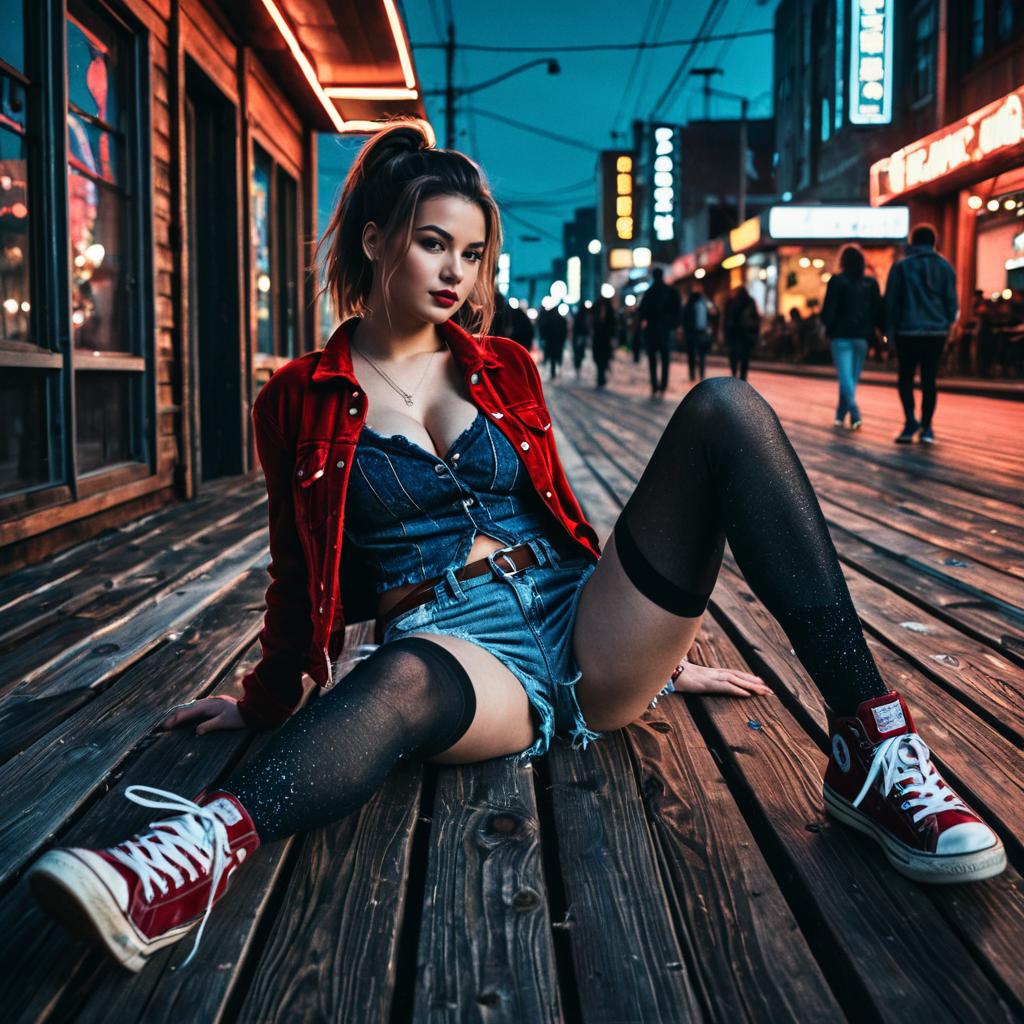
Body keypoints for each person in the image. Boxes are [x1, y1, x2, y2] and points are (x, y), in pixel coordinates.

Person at [26, 120, 1005, 976]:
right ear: (375, 242)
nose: (456, 272)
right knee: (395, 678)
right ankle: (193, 852)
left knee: (726, 407)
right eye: (431, 244)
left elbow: (562, 515)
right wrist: (264, 695)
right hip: (452, 645)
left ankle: (870, 748)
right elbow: (296, 569)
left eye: (473, 253)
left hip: (580, 618)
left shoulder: (505, 366)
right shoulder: (296, 397)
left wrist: (660, 656)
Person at [884, 225, 959, 444]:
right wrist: (946, 324)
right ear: (934, 241)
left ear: (913, 242)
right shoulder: (945, 267)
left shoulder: (901, 267)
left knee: (905, 377)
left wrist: (889, 331)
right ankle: (927, 428)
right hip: (936, 332)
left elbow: (891, 301)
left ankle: (910, 422)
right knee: (929, 379)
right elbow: (952, 302)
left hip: (907, 331)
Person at [821, 245, 884, 430]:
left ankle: (854, 413)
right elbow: (877, 310)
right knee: (851, 378)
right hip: (862, 337)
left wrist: (829, 329)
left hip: (841, 337)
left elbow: (828, 310)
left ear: (843, 261)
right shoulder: (871, 283)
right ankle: (840, 416)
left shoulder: (837, 281)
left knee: (845, 378)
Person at [637, 268, 681, 398]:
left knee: (653, 359)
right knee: (664, 358)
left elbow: (642, 311)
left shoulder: (650, 292)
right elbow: (677, 310)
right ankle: (662, 385)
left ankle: (656, 385)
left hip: (653, 330)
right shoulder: (670, 291)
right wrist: (673, 324)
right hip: (664, 330)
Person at [724, 285, 759, 380]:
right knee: (745, 357)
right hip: (746, 334)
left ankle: (735, 374)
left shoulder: (732, 302)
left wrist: (726, 334)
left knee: (734, 355)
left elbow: (727, 319)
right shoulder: (750, 302)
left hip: (735, 334)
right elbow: (756, 319)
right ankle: (743, 377)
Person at [681, 287, 711, 382]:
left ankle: (698, 374)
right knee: (694, 355)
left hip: (699, 332)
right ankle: (694, 374)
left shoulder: (700, 305)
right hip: (694, 333)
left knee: (699, 355)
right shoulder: (695, 306)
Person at [591, 296, 617, 389]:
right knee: (599, 359)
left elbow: (613, 324)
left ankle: (601, 378)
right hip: (598, 339)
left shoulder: (609, 310)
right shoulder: (596, 309)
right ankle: (600, 377)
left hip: (605, 339)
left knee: (604, 359)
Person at [538, 304, 567, 380]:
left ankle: (552, 371)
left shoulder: (549, 319)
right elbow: (564, 331)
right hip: (558, 342)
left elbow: (545, 329)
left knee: (551, 357)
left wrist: (543, 337)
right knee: (556, 356)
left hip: (550, 341)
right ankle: (555, 370)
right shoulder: (561, 319)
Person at [571, 304, 593, 379]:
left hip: (579, 337)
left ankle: (577, 367)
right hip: (579, 337)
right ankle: (577, 367)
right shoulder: (582, 317)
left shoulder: (580, 316)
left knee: (579, 354)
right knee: (579, 354)